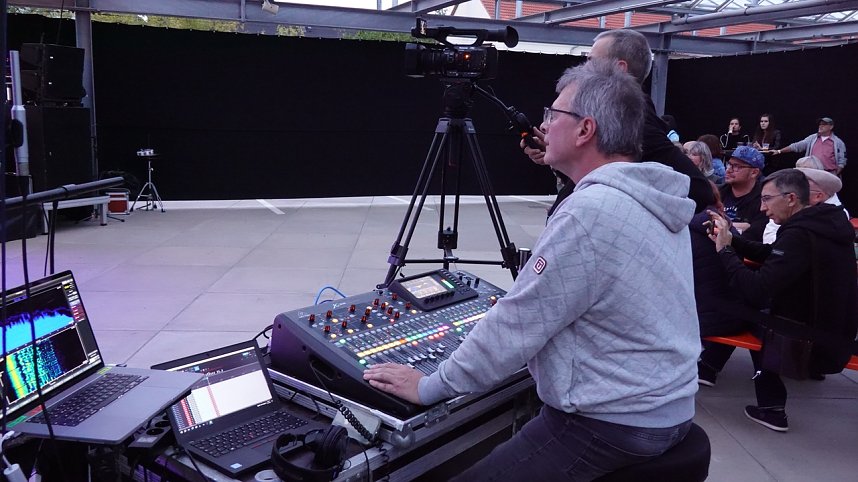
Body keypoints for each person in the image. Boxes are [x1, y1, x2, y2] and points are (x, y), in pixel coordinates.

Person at [365, 60, 700, 480]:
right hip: (667, 406)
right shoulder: (649, 196)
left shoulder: (591, 212)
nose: (544, 125)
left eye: (553, 114)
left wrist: (430, 385)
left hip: (613, 421)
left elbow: (518, 323)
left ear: (585, 130)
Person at [707, 169, 858, 432]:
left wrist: (725, 251)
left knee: (744, 309)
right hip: (831, 328)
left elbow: (756, 287)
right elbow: (776, 256)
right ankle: (707, 367)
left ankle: (771, 409)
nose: (762, 208)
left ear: (790, 199)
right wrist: (735, 242)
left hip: (811, 338)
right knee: (750, 310)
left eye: (766, 199)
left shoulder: (800, 234)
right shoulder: (822, 224)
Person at [521, 29, 713, 217]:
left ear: (620, 69)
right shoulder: (630, 117)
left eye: (592, 61)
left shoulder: (639, 123)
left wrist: (625, 213)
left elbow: (699, 189)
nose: (584, 68)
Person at [762, 161, 848, 243]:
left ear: (818, 196)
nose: (796, 192)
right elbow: (769, 237)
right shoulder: (787, 208)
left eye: (804, 189)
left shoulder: (836, 216)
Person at [720, 145, 768, 242]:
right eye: (729, 164)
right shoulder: (718, 192)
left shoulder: (764, 198)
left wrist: (722, 225)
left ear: (754, 172)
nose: (729, 170)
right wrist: (741, 226)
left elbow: (756, 233)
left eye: (737, 166)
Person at [773, 117, 847, 175]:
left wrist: (835, 173)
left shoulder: (838, 142)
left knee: (828, 194)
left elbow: (842, 161)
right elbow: (797, 146)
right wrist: (779, 151)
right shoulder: (812, 138)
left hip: (829, 173)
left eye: (824, 124)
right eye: (820, 124)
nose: (821, 126)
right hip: (813, 172)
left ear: (831, 127)